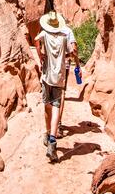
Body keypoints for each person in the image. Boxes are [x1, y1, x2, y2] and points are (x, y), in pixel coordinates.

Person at [34, 10, 68, 162]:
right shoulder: (64, 37)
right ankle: (52, 142)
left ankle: (48, 135)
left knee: (47, 106)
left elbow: (36, 39)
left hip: (46, 77)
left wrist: (41, 54)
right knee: (55, 108)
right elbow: (71, 50)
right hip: (59, 79)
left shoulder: (44, 35)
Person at [58, 22, 81, 137]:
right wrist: (77, 65)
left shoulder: (48, 31)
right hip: (64, 65)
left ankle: (49, 127)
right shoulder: (68, 31)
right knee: (61, 93)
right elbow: (74, 50)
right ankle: (58, 125)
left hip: (50, 66)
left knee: (51, 93)